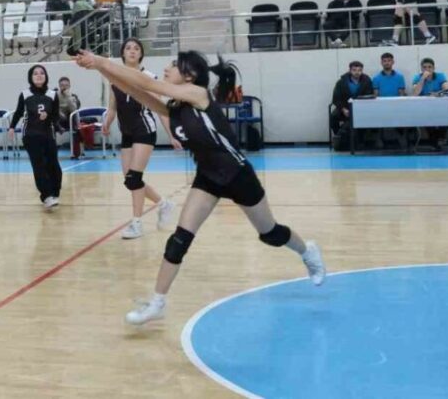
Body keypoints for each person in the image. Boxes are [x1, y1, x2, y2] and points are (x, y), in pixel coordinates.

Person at [75, 49, 325, 325]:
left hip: (237, 174)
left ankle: (307, 251)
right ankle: (157, 302)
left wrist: (102, 61)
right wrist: (99, 69)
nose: (167, 68)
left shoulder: (198, 94)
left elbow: (148, 84)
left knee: (270, 234)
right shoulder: (175, 108)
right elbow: (138, 93)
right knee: (179, 239)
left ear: (189, 76)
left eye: (174, 65)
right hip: (207, 177)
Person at [100, 39, 178, 239]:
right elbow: (113, 107)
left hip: (145, 130)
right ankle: (163, 203)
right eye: (128, 48)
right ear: (123, 54)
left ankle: (136, 223)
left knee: (134, 178)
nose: (132, 51)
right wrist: (107, 122)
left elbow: (160, 109)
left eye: (136, 48)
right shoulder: (115, 78)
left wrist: (171, 135)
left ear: (141, 54)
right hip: (126, 132)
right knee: (130, 180)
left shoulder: (149, 78)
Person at [8, 66, 62, 211]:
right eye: (35, 74)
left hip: (48, 135)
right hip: (30, 135)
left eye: (42, 73)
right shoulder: (25, 94)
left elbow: (56, 116)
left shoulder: (53, 94)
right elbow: (19, 112)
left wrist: (51, 119)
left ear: (46, 76)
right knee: (39, 166)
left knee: (53, 165)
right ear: (31, 77)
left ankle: (55, 193)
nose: (39, 76)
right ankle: (46, 196)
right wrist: (12, 127)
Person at [331, 60, 374, 145]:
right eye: (354, 70)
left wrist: (359, 109)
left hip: (361, 109)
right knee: (333, 116)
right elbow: (336, 98)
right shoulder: (341, 82)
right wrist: (343, 109)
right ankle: (339, 137)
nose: (357, 72)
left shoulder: (367, 81)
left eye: (359, 70)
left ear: (362, 71)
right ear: (350, 70)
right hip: (344, 108)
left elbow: (369, 96)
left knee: (366, 118)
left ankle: (360, 141)